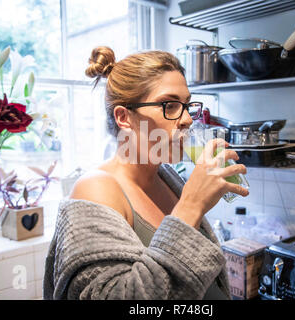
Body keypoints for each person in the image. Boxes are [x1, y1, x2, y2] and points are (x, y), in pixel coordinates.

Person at [43, 46, 249, 300]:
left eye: (186, 105)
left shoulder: (167, 177)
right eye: (170, 105)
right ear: (124, 117)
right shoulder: (96, 188)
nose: (186, 119)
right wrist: (192, 205)